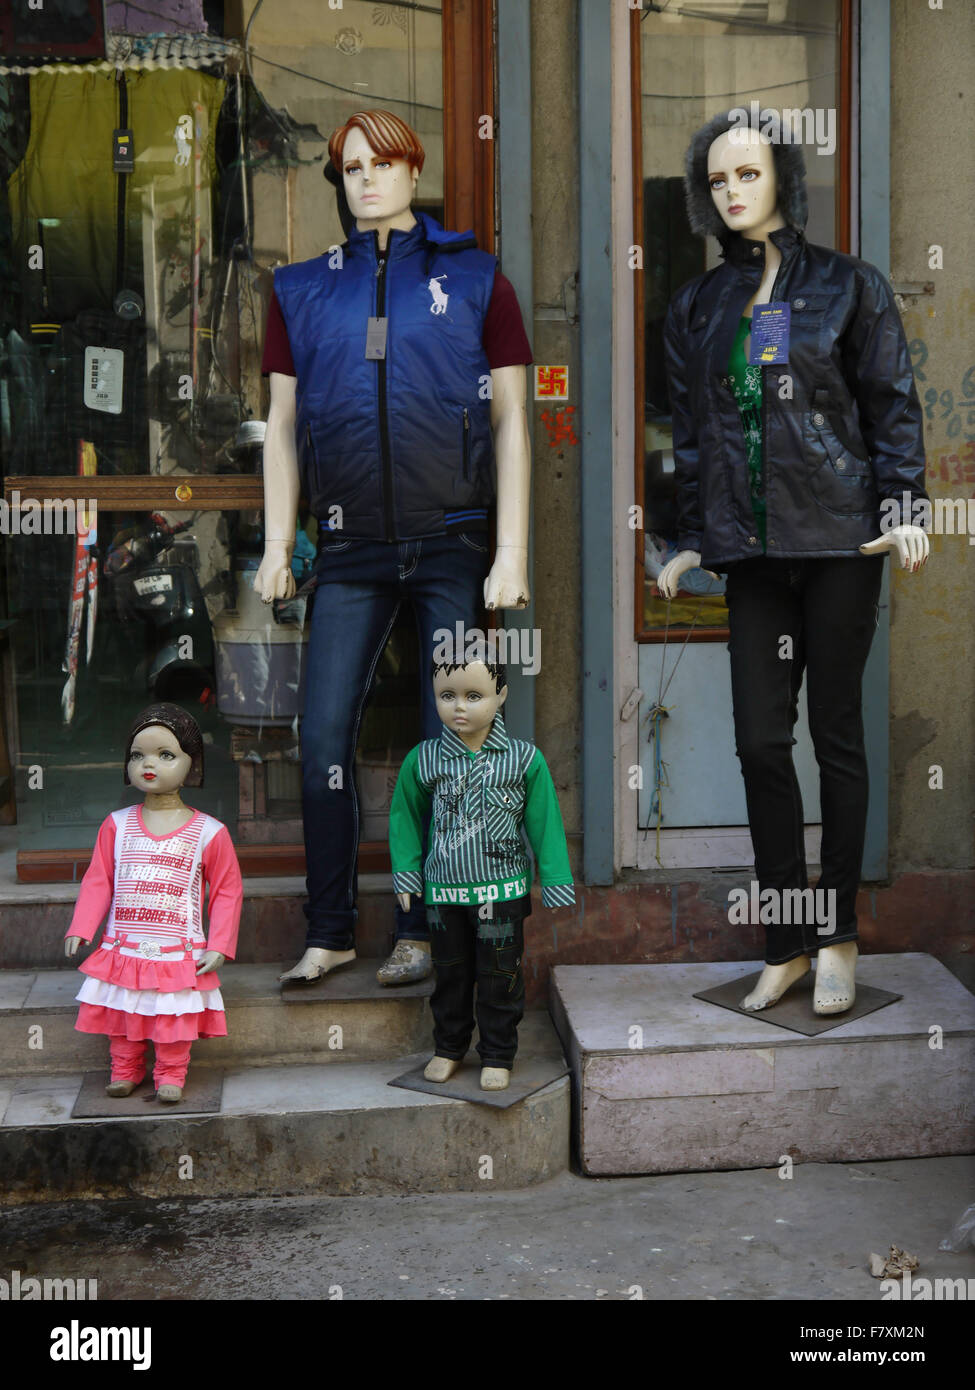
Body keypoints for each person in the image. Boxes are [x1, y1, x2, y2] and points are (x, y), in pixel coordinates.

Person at [255, 110, 534, 988]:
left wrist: (511, 549)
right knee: (324, 734)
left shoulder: (477, 277)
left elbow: (512, 419)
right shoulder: (300, 289)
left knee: (444, 741)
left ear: (414, 172)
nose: (365, 178)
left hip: (450, 541)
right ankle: (331, 927)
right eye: (349, 167)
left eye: (382, 163)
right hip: (347, 550)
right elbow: (282, 425)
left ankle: (424, 927)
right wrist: (277, 541)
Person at [658, 109, 929, 1017]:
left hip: (844, 541)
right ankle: (785, 942)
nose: (734, 192)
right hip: (751, 554)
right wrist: (689, 534)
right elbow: (692, 437)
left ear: (782, 176)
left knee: (836, 740)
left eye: (749, 173)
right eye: (719, 179)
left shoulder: (850, 286)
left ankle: (840, 935)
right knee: (758, 742)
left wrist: (901, 508)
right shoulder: (698, 306)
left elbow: (890, 404)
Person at [388, 644, 574, 1090]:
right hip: (444, 894)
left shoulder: (524, 759)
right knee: (451, 975)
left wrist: (555, 879)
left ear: (502, 694)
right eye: (447, 694)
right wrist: (407, 871)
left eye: (474, 695)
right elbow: (405, 817)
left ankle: (497, 1053)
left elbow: (544, 821)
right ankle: (449, 1047)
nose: (459, 706)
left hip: (503, 892)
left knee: (499, 976)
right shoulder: (424, 759)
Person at [63, 703, 243, 1102]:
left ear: (191, 763)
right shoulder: (117, 824)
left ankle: (170, 1074)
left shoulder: (209, 832)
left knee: (172, 1017)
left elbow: (228, 890)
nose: (149, 764)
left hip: (178, 951)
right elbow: (98, 881)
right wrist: (82, 926)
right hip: (123, 947)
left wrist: (219, 944)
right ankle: (125, 1069)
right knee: (124, 1013)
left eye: (165, 755)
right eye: (138, 755)